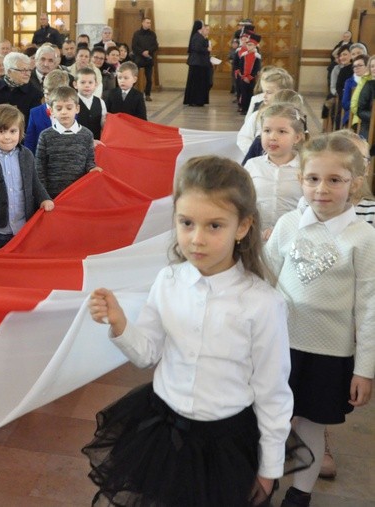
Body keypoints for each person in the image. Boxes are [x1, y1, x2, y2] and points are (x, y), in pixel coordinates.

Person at [86, 155, 300, 507]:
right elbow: (147, 354)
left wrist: (270, 467)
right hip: (164, 432)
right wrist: (121, 323)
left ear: (242, 227)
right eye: (186, 223)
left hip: (225, 442)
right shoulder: (168, 281)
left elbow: (272, 391)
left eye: (214, 226)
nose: (197, 239)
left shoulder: (262, 303)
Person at [266, 133, 375, 507]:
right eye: (313, 179)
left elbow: (369, 307)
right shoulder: (286, 226)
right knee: (272, 422)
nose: (322, 189)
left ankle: (300, 493)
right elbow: (263, 282)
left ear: (354, 184)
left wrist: (365, 369)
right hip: (278, 345)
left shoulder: (363, 239)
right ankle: (263, 484)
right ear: (301, 180)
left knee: (311, 426)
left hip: (328, 353)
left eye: (335, 180)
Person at [0, 104, 54, 250]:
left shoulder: (27, 155)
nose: (7, 137)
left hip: (23, 230)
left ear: (20, 132)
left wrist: (45, 198)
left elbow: (34, 182)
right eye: (1, 131)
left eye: (13, 131)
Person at [243, 104, 305, 238]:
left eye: (282, 131)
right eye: (267, 130)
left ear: (297, 137)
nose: (272, 137)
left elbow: (308, 206)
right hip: (256, 236)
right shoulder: (252, 165)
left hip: (293, 236)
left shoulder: (305, 168)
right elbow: (242, 200)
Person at [36, 86, 101, 197]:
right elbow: (39, 167)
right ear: (51, 111)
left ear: (77, 109)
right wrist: (43, 196)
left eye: (69, 108)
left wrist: (93, 169)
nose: (64, 112)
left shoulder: (87, 134)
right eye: (59, 108)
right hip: (52, 196)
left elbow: (89, 162)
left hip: (78, 194)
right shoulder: (45, 135)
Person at [237, 67, 294, 154]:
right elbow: (243, 137)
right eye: (264, 92)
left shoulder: (294, 116)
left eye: (269, 92)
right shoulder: (257, 115)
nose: (264, 96)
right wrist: (255, 152)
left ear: (283, 92)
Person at [0, 52, 43, 126]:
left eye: (29, 70)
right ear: (9, 72)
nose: (28, 73)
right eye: (23, 70)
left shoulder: (35, 94)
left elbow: (33, 124)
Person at [23, 69, 70, 153]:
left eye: (53, 94)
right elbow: (30, 141)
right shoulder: (35, 112)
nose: (49, 97)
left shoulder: (72, 112)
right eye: (47, 93)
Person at [74, 67, 107, 141]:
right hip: (77, 143)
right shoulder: (72, 101)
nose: (87, 85)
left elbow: (103, 124)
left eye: (90, 82)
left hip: (96, 143)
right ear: (75, 84)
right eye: (83, 82)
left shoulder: (100, 102)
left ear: (96, 84)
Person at [183, 20, 211, 107]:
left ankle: (198, 100)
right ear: (199, 27)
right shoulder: (197, 36)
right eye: (203, 26)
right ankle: (194, 100)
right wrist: (207, 49)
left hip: (199, 63)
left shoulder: (200, 36)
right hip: (197, 63)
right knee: (196, 83)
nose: (204, 27)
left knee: (198, 82)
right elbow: (197, 48)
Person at [132, 17, 159, 101]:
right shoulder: (137, 34)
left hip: (149, 58)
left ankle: (147, 94)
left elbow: (155, 46)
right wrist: (142, 52)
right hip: (139, 57)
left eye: (150, 23)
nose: (149, 24)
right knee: (134, 76)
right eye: (147, 22)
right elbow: (134, 46)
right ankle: (131, 92)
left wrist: (148, 51)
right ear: (142, 23)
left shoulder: (152, 34)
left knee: (149, 78)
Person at [236, 33, 262, 115]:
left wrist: (250, 77)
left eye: (251, 45)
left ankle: (249, 109)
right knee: (243, 94)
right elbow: (241, 67)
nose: (249, 46)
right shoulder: (244, 56)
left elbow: (256, 69)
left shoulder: (257, 57)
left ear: (254, 46)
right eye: (248, 45)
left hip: (251, 79)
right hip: (244, 78)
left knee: (251, 94)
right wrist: (244, 77)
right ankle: (244, 108)